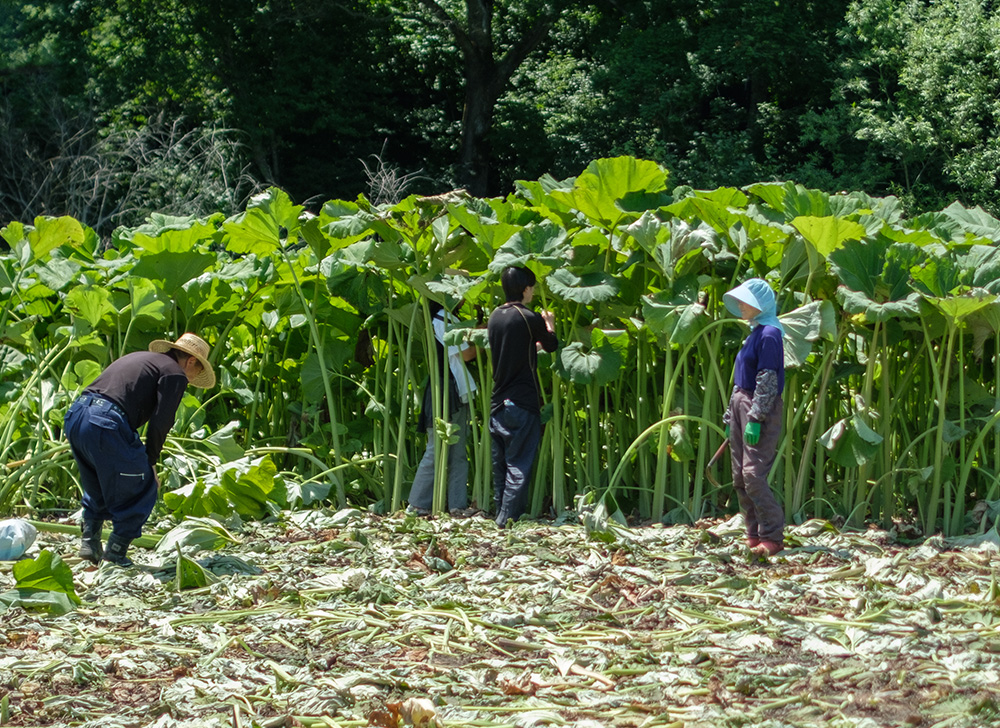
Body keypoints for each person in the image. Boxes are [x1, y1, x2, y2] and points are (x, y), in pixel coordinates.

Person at [64, 333, 216, 567]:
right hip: (105, 421)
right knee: (143, 483)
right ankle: (116, 551)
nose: (193, 379)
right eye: (197, 372)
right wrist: (151, 461)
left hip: (77, 415)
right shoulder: (175, 373)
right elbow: (162, 421)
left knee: (98, 483)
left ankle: (90, 542)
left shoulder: (144, 358)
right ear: (191, 361)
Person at [487, 266, 558, 528]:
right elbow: (551, 345)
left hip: (497, 401)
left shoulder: (495, 316)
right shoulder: (529, 317)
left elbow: (514, 346)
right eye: (532, 287)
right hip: (522, 399)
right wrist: (549, 324)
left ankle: (499, 515)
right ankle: (506, 521)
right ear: (525, 289)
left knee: (501, 465)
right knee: (519, 464)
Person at [722, 279, 786, 556]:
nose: (740, 305)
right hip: (741, 404)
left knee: (753, 475)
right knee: (739, 476)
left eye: (745, 300)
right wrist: (730, 418)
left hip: (757, 405)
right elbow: (740, 380)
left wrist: (756, 417)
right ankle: (753, 532)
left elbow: (768, 378)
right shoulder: (755, 333)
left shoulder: (770, 334)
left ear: (760, 305)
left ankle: (772, 536)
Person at [407, 300, 477, 515]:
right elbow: (466, 354)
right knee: (436, 450)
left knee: (457, 452)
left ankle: (457, 505)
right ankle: (417, 504)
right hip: (446, 390)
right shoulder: (442, 318)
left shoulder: (445, 317)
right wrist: (485, 340)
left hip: (453, 389)